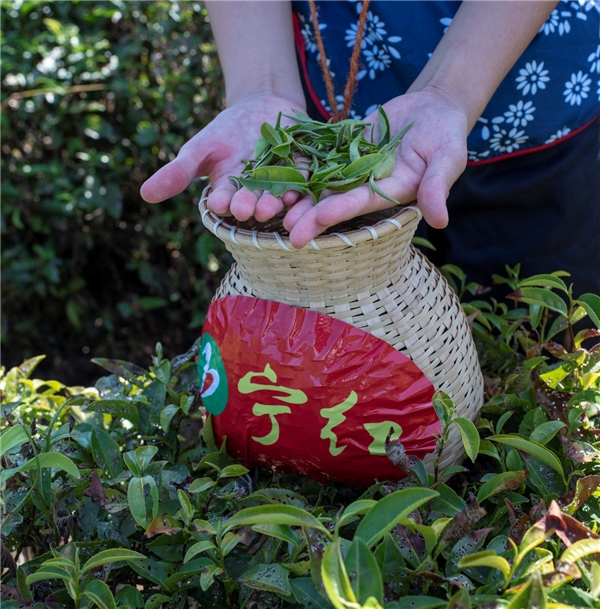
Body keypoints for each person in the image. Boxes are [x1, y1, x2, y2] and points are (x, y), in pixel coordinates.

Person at [140, 1, 600, 297]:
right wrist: (259, 86)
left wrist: (449, 91)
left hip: (532, 119)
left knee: (541, 345)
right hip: (344, 118)